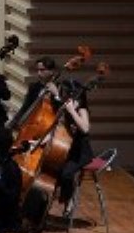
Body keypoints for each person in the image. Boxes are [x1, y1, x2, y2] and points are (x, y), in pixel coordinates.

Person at [12, 55, 92, 216]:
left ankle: (67, 199)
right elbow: (58, 131)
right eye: (38, 70)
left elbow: (83, 128)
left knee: (64, 173)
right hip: (58, 142)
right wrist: (32, 138)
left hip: (77, 150)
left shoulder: (77, 107)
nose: (39, 73)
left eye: (43, 70)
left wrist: (65, 104)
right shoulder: (42, 92)